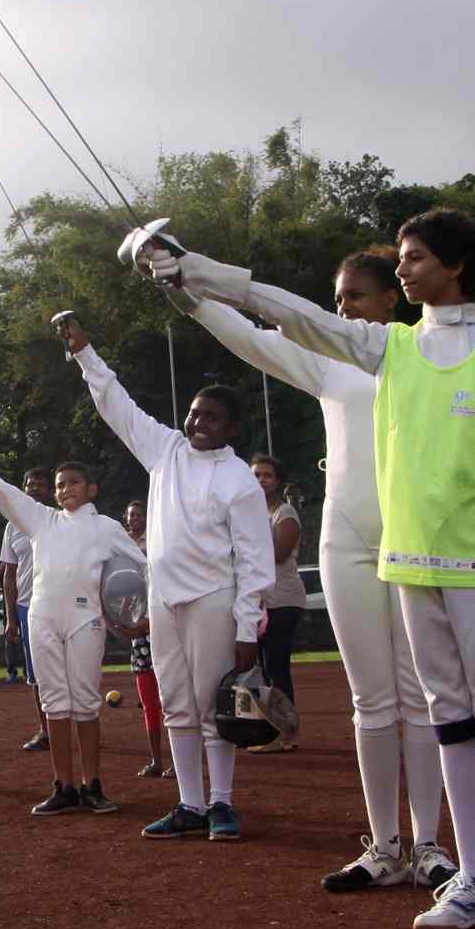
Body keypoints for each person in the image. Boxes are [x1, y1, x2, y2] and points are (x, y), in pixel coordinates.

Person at [136, 206, 475, 929]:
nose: (344, 305)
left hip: (464, 547)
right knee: (393, 703)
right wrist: (188, 280)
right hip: (377, 545)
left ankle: (472, 860)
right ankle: (413, 856)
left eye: (408, 262)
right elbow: (270, 320)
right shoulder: (368, 351)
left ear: (441, 272)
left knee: (465, 706)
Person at [170, 243, 456, 892]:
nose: (342, 309)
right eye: (337, 299)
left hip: (417, 537)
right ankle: (384, 847)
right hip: (347, 542)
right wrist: (184, 292)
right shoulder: (328, 361)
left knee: (419, 697)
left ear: (391, 299)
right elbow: (249, 337)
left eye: (355, 296)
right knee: (371, 700)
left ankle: (430, 845)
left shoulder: (428, 353)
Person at [60, 316, 275, 843]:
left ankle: (222, 803)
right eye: (195, 412)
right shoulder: (166, 450)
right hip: (163, 600)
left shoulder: (239, 480)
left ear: (232, 429)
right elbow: (118, 407)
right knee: (176, 703)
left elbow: (255, 560)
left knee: (214, 706)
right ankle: (189, 804)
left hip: (214, 601)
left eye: (212, 417)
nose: (198, 422)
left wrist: (247, 626)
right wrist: (85, 353)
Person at [0, 459, 143, 815]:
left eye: (74, 482)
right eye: (60, 484)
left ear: (92, 489)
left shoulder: (107, 528)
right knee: (54, 705)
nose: (65, 489)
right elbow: (4, 493)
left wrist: (141, 615)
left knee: (86, 703)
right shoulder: (41, 519)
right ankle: (64, 787)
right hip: (42, 620)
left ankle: (93, 786)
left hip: (85, 620)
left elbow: (141, 568)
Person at [249, 454, 304, 753]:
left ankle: (286, 733)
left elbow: (280, 554)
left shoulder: (285, 513)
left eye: (267, 475)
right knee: (263, 668)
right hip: (258, 601)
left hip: (282, 599)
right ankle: (271, 730)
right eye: (255, 475)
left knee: (276, 666)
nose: (260, 480)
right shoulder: (249, 514)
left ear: (277, 481)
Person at [0, 467, 53, 751]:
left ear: (50, 490)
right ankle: (46, 731)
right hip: (26, 608)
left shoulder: (58, 518)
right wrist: (11, 618)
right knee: (35, 675)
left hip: (58, 605)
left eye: (40, 484)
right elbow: (9, 575)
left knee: (67, 670)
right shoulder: (12, 525)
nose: (34, 489)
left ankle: (77, 727)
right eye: (30, 484)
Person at [122, 499, 170, 780]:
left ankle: (178, 760)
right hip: (140, 630)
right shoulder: (121, 545)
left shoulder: (158, 542)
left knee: (173, 699)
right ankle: (156, 760)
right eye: (132, 515)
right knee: (149, 700)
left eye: (140, 515)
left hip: (164, 626)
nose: (136, 519)